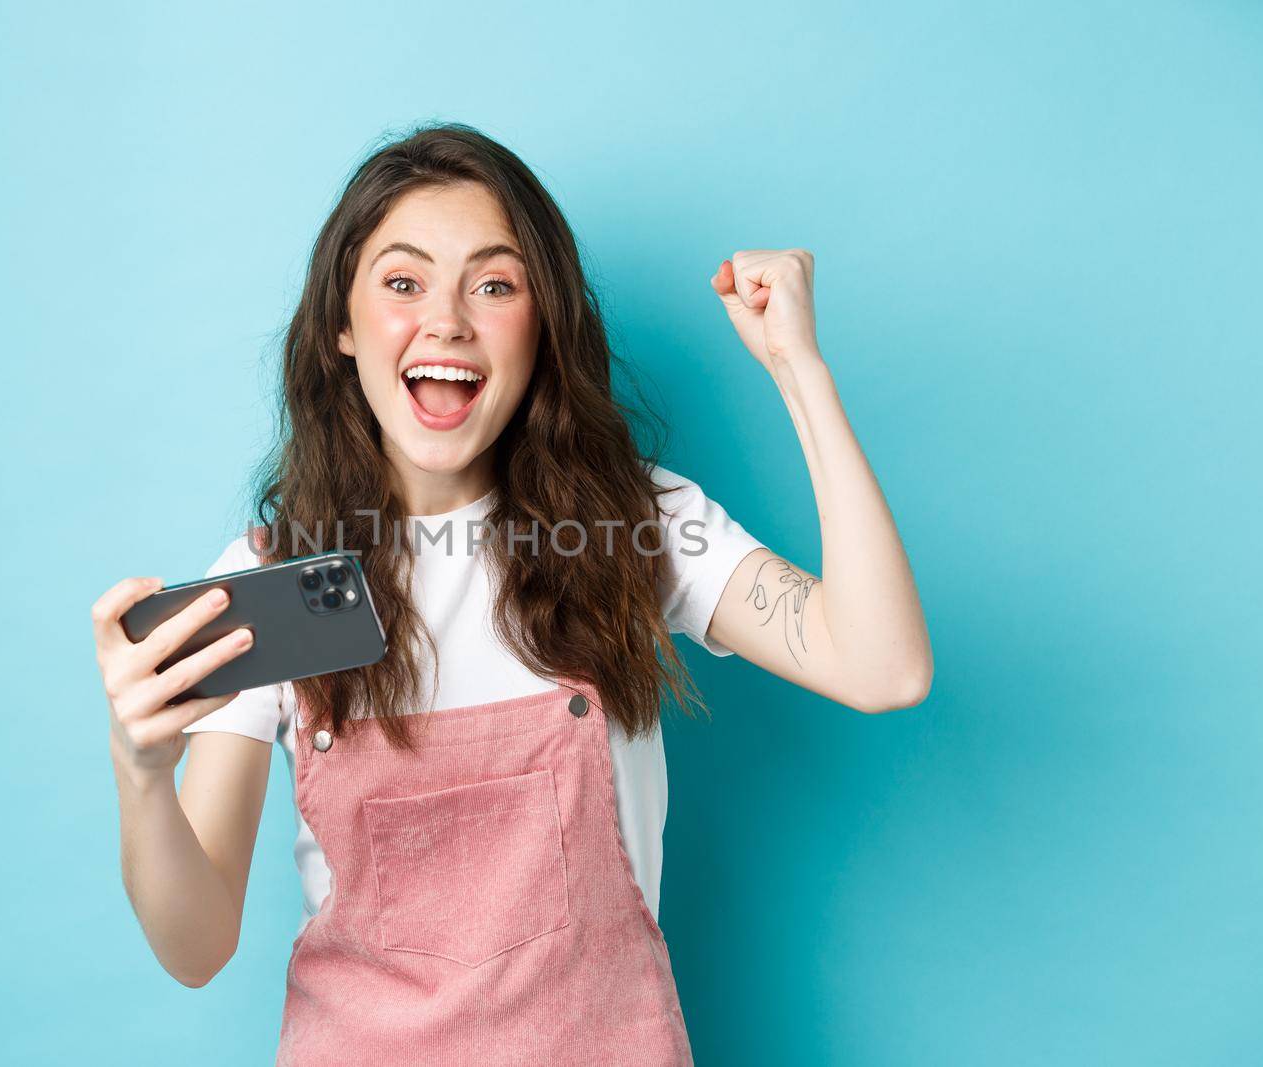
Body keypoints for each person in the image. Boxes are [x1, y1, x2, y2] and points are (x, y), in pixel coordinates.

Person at [91, 121, 932, 1064]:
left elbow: (884, 666)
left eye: (494, 284)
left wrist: (799, 371)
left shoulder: (635, 528)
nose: (446, 319)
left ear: (543, 328)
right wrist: (141, 771)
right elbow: (195, 944)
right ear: (341, 324)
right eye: (403, 283)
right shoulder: (273, 583)